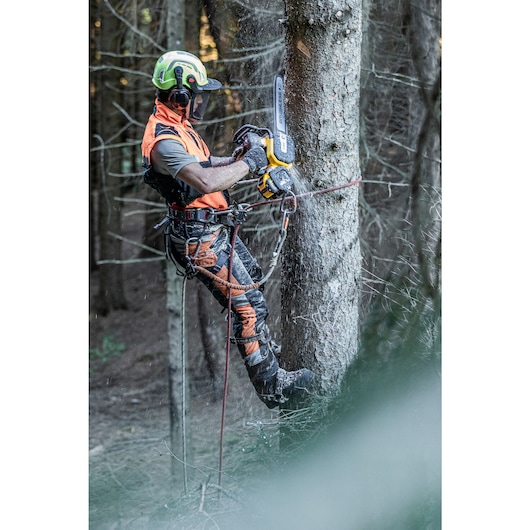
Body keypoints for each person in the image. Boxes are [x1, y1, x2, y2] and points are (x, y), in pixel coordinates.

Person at [141, 50, 315, 409]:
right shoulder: (164, 141)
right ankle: (273, 387)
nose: (202, 100)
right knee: (246, 308)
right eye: (197, 94)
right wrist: (250, 164)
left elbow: (206, 164)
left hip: (209, 231)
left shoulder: (178, 127)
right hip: (197, 240)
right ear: (180, 95)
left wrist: (242, 155)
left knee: (251, 282)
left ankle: (262, 349)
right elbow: (204, 181)